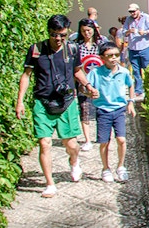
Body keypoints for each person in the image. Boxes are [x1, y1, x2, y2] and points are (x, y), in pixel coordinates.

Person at [15, 15, 99, 198]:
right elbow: (26, 75)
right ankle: (50, 184)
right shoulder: (36, 50)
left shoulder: (72, 48)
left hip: (66, 101)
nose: (59, 39)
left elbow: (77, 71)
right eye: (55, 35)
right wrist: (20, 101)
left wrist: (88, 86)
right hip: (42, 102)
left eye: (62, 35)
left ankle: (74, 162)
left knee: (71, 145)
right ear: (48, 32)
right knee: (44, 143)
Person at [86, 42, 136, 183]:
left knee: (121, 139)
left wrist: (130, 102)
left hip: (119, 109)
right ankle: (105, 168)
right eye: (110, 56)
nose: (114, 58)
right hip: (103, 110)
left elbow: (131, 85)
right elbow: (86, 88)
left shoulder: (123, 71)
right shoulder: (95, 73)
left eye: (116, 55)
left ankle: (121, 166)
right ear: (102, 57)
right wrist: (90, 93)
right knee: (104, 142)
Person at [74, 18, 107, 152]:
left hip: (100, 81)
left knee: (101, 108)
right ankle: (87, 139)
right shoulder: (76, 46)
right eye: (83, 31)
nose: (86, 33)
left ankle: (102, 136)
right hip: (83, 81)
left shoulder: (101, 44)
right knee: (84, 109)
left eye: (88, 30)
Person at [122, 3, 149, 101]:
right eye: (130, 12)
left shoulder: (146, 17)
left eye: (133, 11)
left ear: (138, 10)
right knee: (136, 70)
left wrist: (145, 32)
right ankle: (138, 90)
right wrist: (129, 31)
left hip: (145, 46)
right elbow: (124, 32)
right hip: (133, 47)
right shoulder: (129, 20)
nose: (132, 13)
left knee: (147, 68)